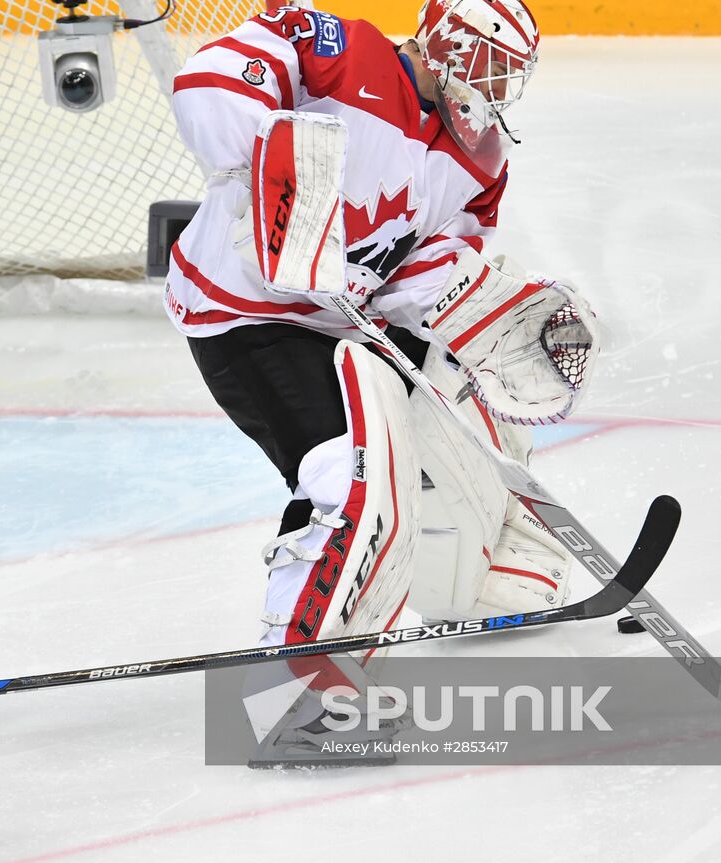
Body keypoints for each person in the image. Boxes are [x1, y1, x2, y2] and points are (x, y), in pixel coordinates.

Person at [165, 0, 598, 728]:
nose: (495, 86)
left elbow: (425, 267)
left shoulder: (481, 154)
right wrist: (262, 169)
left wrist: (498, 314)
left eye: (509, 74)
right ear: (441, 45)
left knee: (464, 413)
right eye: (487, 63)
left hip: (350, 319)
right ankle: (296, 689)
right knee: (354, 475)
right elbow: (208, 83)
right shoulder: (342, 54)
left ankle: (480, 572)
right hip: (250, 316)